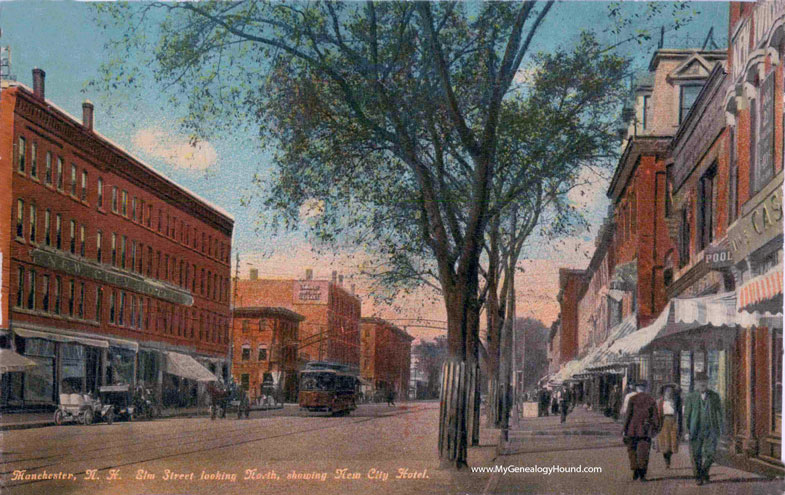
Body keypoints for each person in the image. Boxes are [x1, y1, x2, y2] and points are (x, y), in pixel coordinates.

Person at [684, 372, 722, 485]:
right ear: (696, 383)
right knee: (696, 454)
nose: (702, 384)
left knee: (711, 453)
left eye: (704, 381)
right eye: (700, 382)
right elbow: (687, 415)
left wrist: (721, 429)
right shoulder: (691, 397)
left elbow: (720, 413)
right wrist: (686, 431)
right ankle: (698, 477)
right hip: (695, 429)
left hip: (711, 429)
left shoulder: (714, 396)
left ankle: (704, 472)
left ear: (707, 382)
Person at [623, 381, 660, 482]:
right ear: (645, 388)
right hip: (645, 429)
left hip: (632, 428)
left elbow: (628, 415)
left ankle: (635, 468)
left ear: (637, 388)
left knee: (632, 449)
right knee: (644, 451)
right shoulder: (651, 400)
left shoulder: (632, 399)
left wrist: (624, 429)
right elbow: (655, 417)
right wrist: (655, 429)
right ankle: (642, 473)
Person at [656, 384, 683, 469]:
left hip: (673, 421)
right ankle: (666, 461)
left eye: (670, 392)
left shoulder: (676, 401)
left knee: (673, 442)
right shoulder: (660, 401)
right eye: (667, 392)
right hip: (663, 422)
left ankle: (669, 457)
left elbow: (679, 413)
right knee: (665, 443)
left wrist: (680, 425)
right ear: (664, 393)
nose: (669, 393)